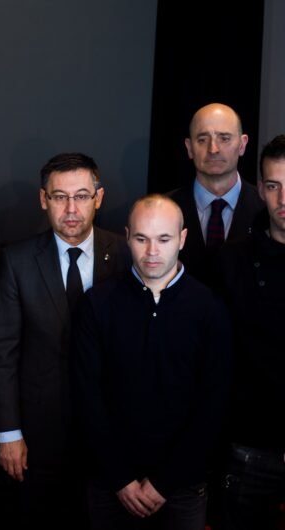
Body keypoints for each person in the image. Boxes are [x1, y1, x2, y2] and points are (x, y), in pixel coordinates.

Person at [72, 194, 232, 530]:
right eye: (142, 239)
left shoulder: (209, 308)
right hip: (110, 483)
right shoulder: (97, 303)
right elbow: (87, 396)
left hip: (183, 486)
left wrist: (165, 481)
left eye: (164, 239)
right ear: (127, 237)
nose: (152, 251)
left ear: (182, 239)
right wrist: (120, 478)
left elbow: (213, 403)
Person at [0, 152, 130, 528]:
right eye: (59, 196)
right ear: (43, 199)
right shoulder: (17, 261)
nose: (71, 208)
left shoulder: (126, 254)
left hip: (110, 429)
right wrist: (8, 433)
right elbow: (2, 354)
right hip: (39, 433)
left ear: (98, 198)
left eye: (81, 196)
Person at [218, 134, 285, 529]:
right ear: (260, 189)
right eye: (274, 186)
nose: (283, 199)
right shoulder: (232, 261)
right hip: (249, 449)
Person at [169, 102, 263, 283]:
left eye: (224, 138)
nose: (213, 149)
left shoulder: (266, 208)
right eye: (202, 140)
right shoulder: (164, 210)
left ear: (242, 145)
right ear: (189, 148)